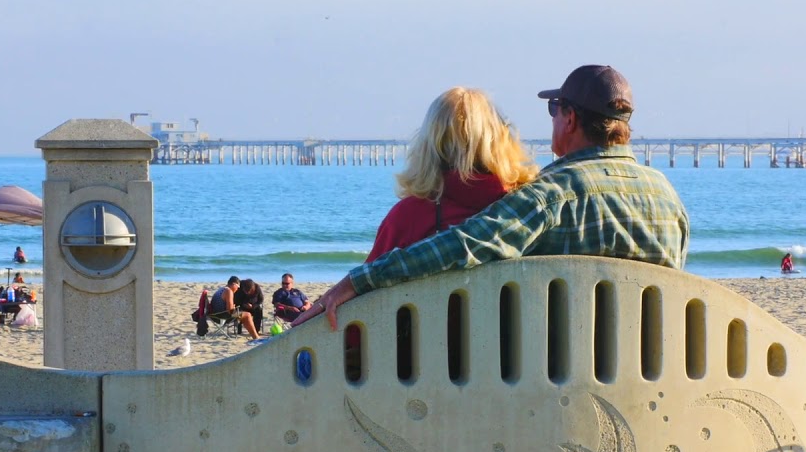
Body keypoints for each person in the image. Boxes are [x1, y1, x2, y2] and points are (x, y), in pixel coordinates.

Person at [294, 64, 689, 329]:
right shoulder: (669, 199)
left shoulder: (551, 195)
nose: (551, 117)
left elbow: (462, 245)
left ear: (569, 118)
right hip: (647, 386)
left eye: (554, 108)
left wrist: (355, 282)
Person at [366, 87, 537, 262]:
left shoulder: (408, 218)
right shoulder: (528, 208)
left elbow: (364, 283)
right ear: (501, 140)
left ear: (428, 146)